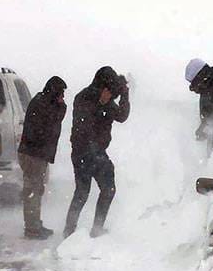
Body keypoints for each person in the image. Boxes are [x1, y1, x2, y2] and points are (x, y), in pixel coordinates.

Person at [65, 66, 130, 238]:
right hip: (82, 152)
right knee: (82, 192)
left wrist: (124, 94)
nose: (109, 92)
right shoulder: (83, 97)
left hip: (98, 152)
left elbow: (122, 116)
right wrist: (100, 103)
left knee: (108, 189)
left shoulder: (107, 102)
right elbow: (84, 124)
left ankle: (97, 228)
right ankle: (69, 231)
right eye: (108, 88)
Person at [17, 76, 68, 239]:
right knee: (33, 190)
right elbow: (54, 121)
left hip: (33, 153)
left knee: (35, 190)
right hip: (34, 155)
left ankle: (34, 224)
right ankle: (32, 228)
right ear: (54, 92)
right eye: (61, 93)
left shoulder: (42, 101)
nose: (62, 97)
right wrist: (61, 106)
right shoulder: (44, 105)